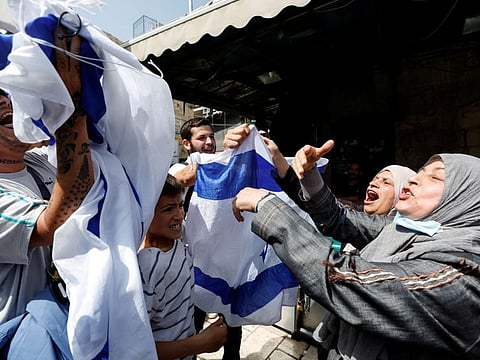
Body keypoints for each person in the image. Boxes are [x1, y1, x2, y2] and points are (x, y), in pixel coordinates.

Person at [232, 140, 480, 359]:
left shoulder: (463, 272)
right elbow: (338, 217)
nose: (416, 177)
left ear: (465, 198)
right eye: (421, 171)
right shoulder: (404, 228)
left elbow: (350, 282)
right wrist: (306, 173)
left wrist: (267, 208)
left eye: (435, 177)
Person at [0, 29, 95, 357]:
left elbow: (96, 159)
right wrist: (71, 109)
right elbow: (54, 224)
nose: (9, 102)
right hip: (16, 342)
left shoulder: (38, 163)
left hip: (59, 329)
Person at [169, 117, 243, 360]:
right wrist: (184, 181)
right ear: (186, 144)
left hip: (226, 264)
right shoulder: (175, 174)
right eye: (202, 138)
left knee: (233, 323)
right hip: (193, 271)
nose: (210, 142)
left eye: (212, 137)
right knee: (192, 326)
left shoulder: (225, 171)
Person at [138, 174, 227, 359]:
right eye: (168, 209)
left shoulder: (179, 240)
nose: (179, 215)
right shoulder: (147, 268)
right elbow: (137, 348)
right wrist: (199, 344)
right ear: (145, 213)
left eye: (180, 205)